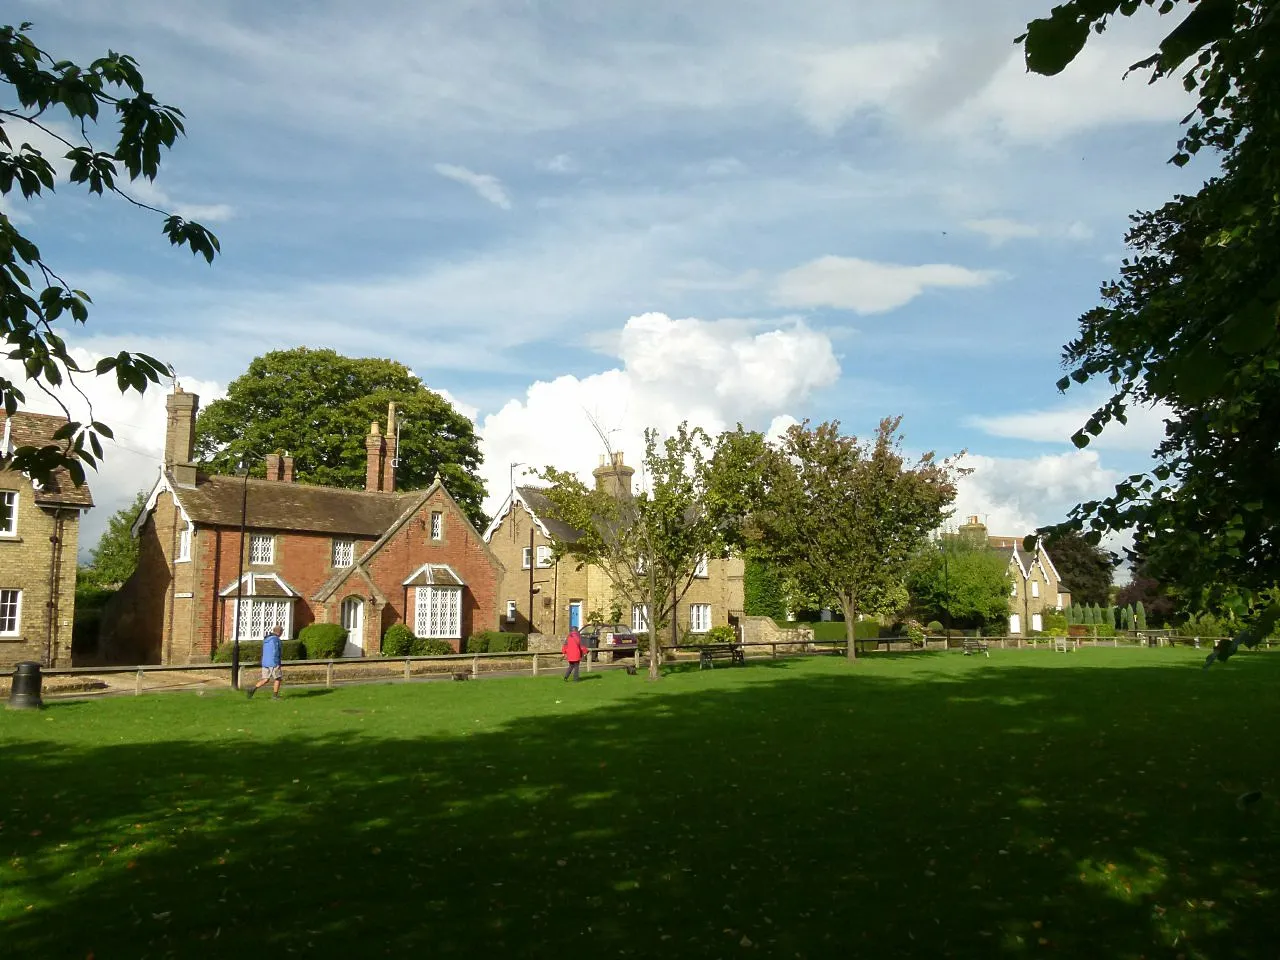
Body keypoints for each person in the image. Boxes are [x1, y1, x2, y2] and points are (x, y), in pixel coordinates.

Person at [247, 624, 285, 699]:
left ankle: (252, 689)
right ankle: (275, 696)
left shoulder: (266, 639)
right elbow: (276, 652)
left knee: (265, 679)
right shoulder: (276, 640)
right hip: (273, 662)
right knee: (278, 678)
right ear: (279, 632)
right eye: (282, 632)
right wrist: (278, 662)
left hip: (265, 662)